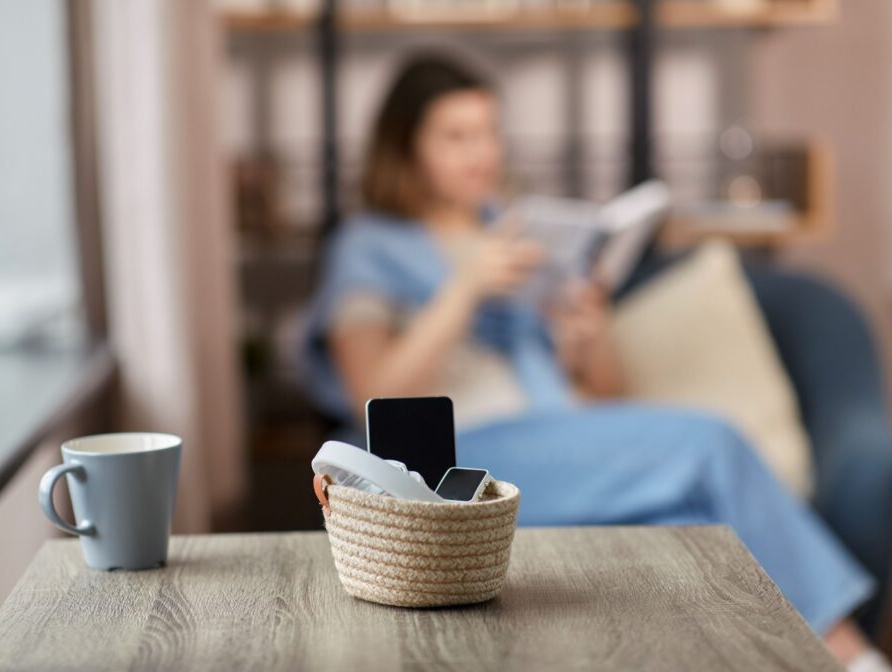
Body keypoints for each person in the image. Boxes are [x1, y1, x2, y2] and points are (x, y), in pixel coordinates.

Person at [299, 53, 886, 669]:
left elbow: (606, 398)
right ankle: (851, 654)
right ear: (407, 148)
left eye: (490, 132)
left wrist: (587, 333)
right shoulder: (367, 247)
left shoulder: (517, 231)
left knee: (691, 522)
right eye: (456, 136)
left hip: (560, 439)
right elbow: (369, 391)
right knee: (711, 441)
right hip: (460, 463)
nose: (483, 154)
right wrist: (464, 290)